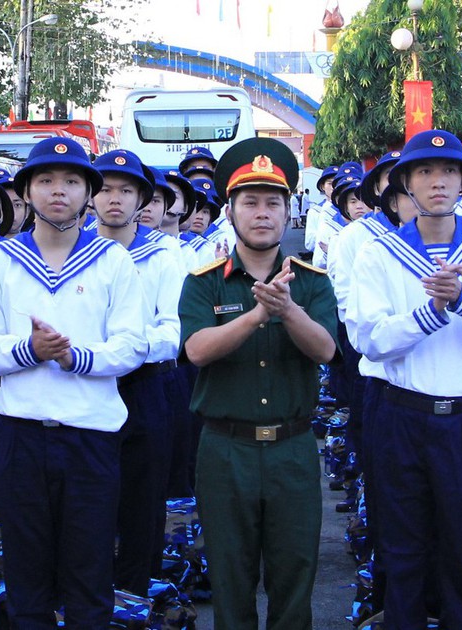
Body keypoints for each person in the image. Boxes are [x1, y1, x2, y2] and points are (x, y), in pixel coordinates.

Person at [346, 129, 462, 628]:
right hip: (401, 414)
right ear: (405, 183)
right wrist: (431, 313)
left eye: (450, 171)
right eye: (424, 171)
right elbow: (369, 339)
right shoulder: (379, 252)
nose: (438, 182)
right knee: (402, 548)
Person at [0, 137, 149, 628]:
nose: (58, 191)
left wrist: (73, 356)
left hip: (91, 437)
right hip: (19, 438)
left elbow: (132, 346)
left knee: (89, 572)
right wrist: (29, 351)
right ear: (25, 191)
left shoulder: (113, 261)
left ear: (88, 192)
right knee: (26, 573)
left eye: (71, 180)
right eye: (44, 180)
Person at [179, 137, 338, 629]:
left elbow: (325, 350)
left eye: (273, 202)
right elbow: (197, 350)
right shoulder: (205, 281)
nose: (262, 212)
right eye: (250, 202)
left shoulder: (311, 283)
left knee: (295, 573)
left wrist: (287, 309)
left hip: (291, 448)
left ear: (290, 212)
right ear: (230, 211)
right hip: (226, 451)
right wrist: (255, 315)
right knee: (230, 575)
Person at [90, 149, 185, 595]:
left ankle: (137, 594)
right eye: (105, 189)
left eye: (126, 191)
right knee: (89, 492)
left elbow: (173, 330)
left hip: (146, 384)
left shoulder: (164, 255)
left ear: (142, 199)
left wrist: (126, 349)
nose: (114, 199)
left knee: (144, 497)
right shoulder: (76, 253)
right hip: (88, 382)